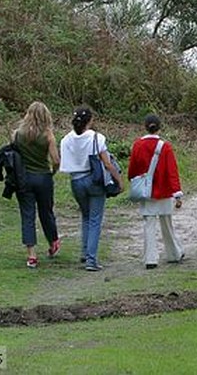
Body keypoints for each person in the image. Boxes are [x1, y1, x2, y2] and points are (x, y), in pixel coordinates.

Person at [58, 106, 122, 272]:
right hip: (93, 180)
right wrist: (118, 180)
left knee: (86, 216)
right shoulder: (96, 138)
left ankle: (85, 252)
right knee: (95, 219)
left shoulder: (66, 139)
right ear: (89, 121)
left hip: (75, 180)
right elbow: (107, 163)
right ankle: (91, 260)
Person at [127, 113, 184, 269]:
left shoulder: (138, 145)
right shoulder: (165, 147)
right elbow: (172, 171)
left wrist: (134, 180)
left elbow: (132, 169)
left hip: (146, 191)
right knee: (167, 224)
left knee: (149, 225)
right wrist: (177, 193)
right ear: (159, 127)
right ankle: (174, 253)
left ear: (145, 126)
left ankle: (150, 258)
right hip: (164, 191)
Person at [11, 101, 61, 269]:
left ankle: (31, 255)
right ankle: (53, 241)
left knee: (27, 215)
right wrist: (52, 171)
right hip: (43, 177)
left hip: (24, 178)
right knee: (46, 212)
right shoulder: (48, 135)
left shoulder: (17, 134)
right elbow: (55, 160)